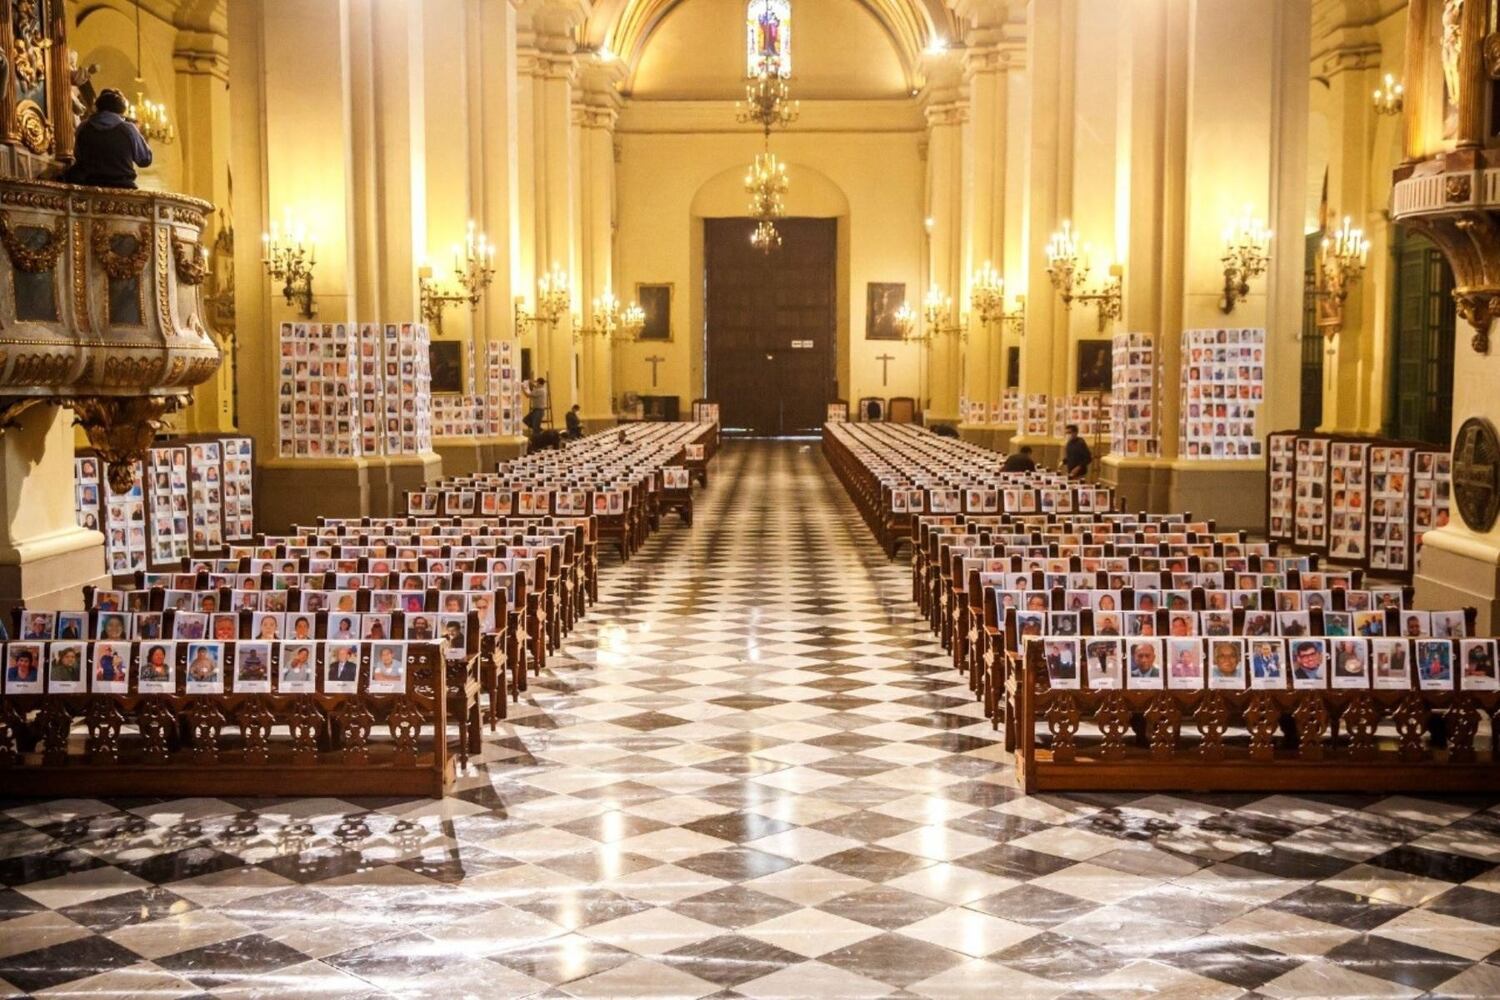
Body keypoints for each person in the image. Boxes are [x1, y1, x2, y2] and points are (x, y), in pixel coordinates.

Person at [61, 89, 153, 189]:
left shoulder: (84, 127)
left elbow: (78, 156)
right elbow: (145, 160)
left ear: (97, 107)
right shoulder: (128, 129)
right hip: (123, 190)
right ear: (121, 110)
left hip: (91, 189)